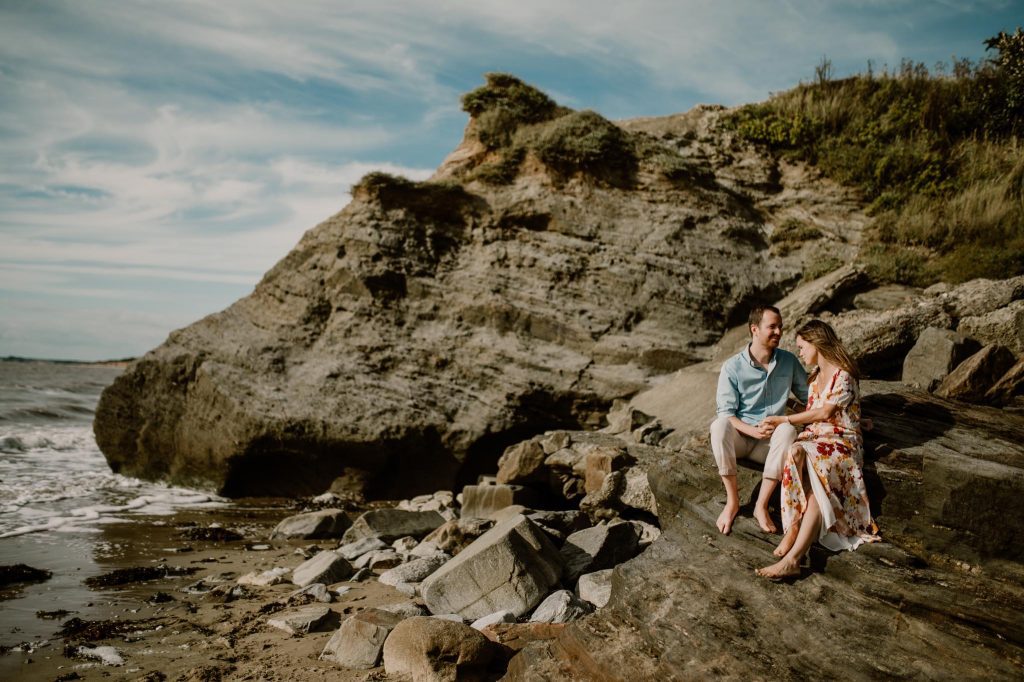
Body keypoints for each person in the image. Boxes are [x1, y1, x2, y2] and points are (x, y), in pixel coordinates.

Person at [756, 319, 879, 580]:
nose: (800, 352)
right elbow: (817, 414)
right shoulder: (814, 380)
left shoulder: (843, 374)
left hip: (841, 446)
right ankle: (794, 525)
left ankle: (793, 557)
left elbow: (825, 411)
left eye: (802, 347)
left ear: (816, 343)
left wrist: (784, 420)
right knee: (796, 451)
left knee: (813, 480)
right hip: (817, 440)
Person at [711, 305, 808, 535]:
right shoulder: (732, 367)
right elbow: (725, 412)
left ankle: (761, 505)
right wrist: (751, 431)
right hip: (741, 440)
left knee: (787, 430)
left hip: (770, 445)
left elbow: (809, 398)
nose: (778, 332)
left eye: (780, 327)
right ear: (755, 329)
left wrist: (844, 414)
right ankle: (732, 501)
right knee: (719, 425)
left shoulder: (789, 361)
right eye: (772, 327)